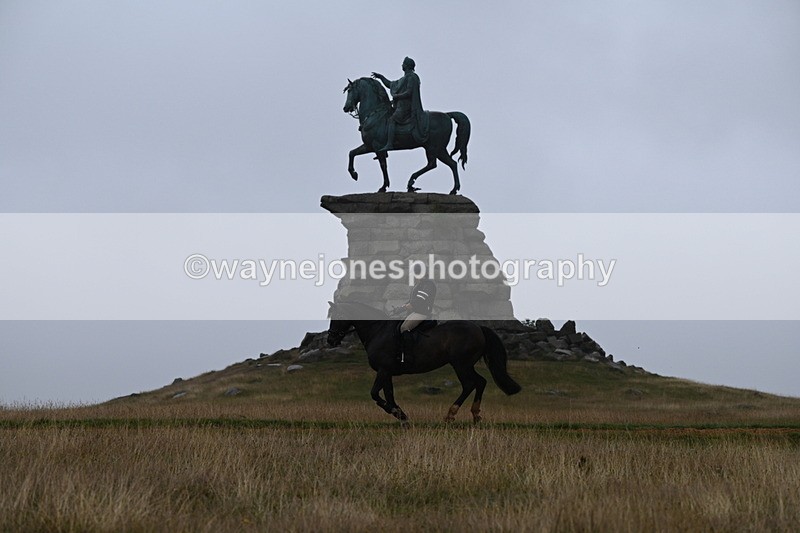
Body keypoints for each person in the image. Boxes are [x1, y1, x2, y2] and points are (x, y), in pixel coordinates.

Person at [372, 57, 429, 151]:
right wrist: (381, 77)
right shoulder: (403, 79)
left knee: (392, 119)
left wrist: (397, 96)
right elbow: (390, 84)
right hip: (400, 106)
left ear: (407, 66)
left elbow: (409, 92)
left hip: (407, 107)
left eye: (403, 63)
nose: (402, 65)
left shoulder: (412, 77)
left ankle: (390, 144)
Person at [398, 277, 437, 364]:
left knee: (404, 327)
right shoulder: (419, 283)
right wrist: (402, 307)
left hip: (423, 312)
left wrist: (410, 305)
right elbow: (413, 299)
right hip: (416, 311)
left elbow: (420, 299)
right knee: (400, 325)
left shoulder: (428, 284)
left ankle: (409, 355)